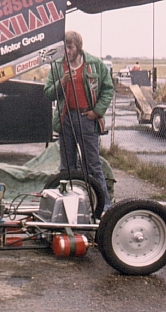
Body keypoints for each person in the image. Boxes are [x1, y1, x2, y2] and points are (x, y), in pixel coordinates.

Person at [44, 30, 114, 210]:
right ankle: (67, 207)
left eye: (70, 47)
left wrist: (97, 112)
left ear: (78, 47)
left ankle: (104, 207)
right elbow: (48, 93)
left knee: (92, 165)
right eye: (64, 48)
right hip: (65, 119)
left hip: (87, 119)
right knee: (67, 167)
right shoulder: (57, 66)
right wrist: (62, 82)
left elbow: (108, 89)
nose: (67, 51)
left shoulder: (94, 64)